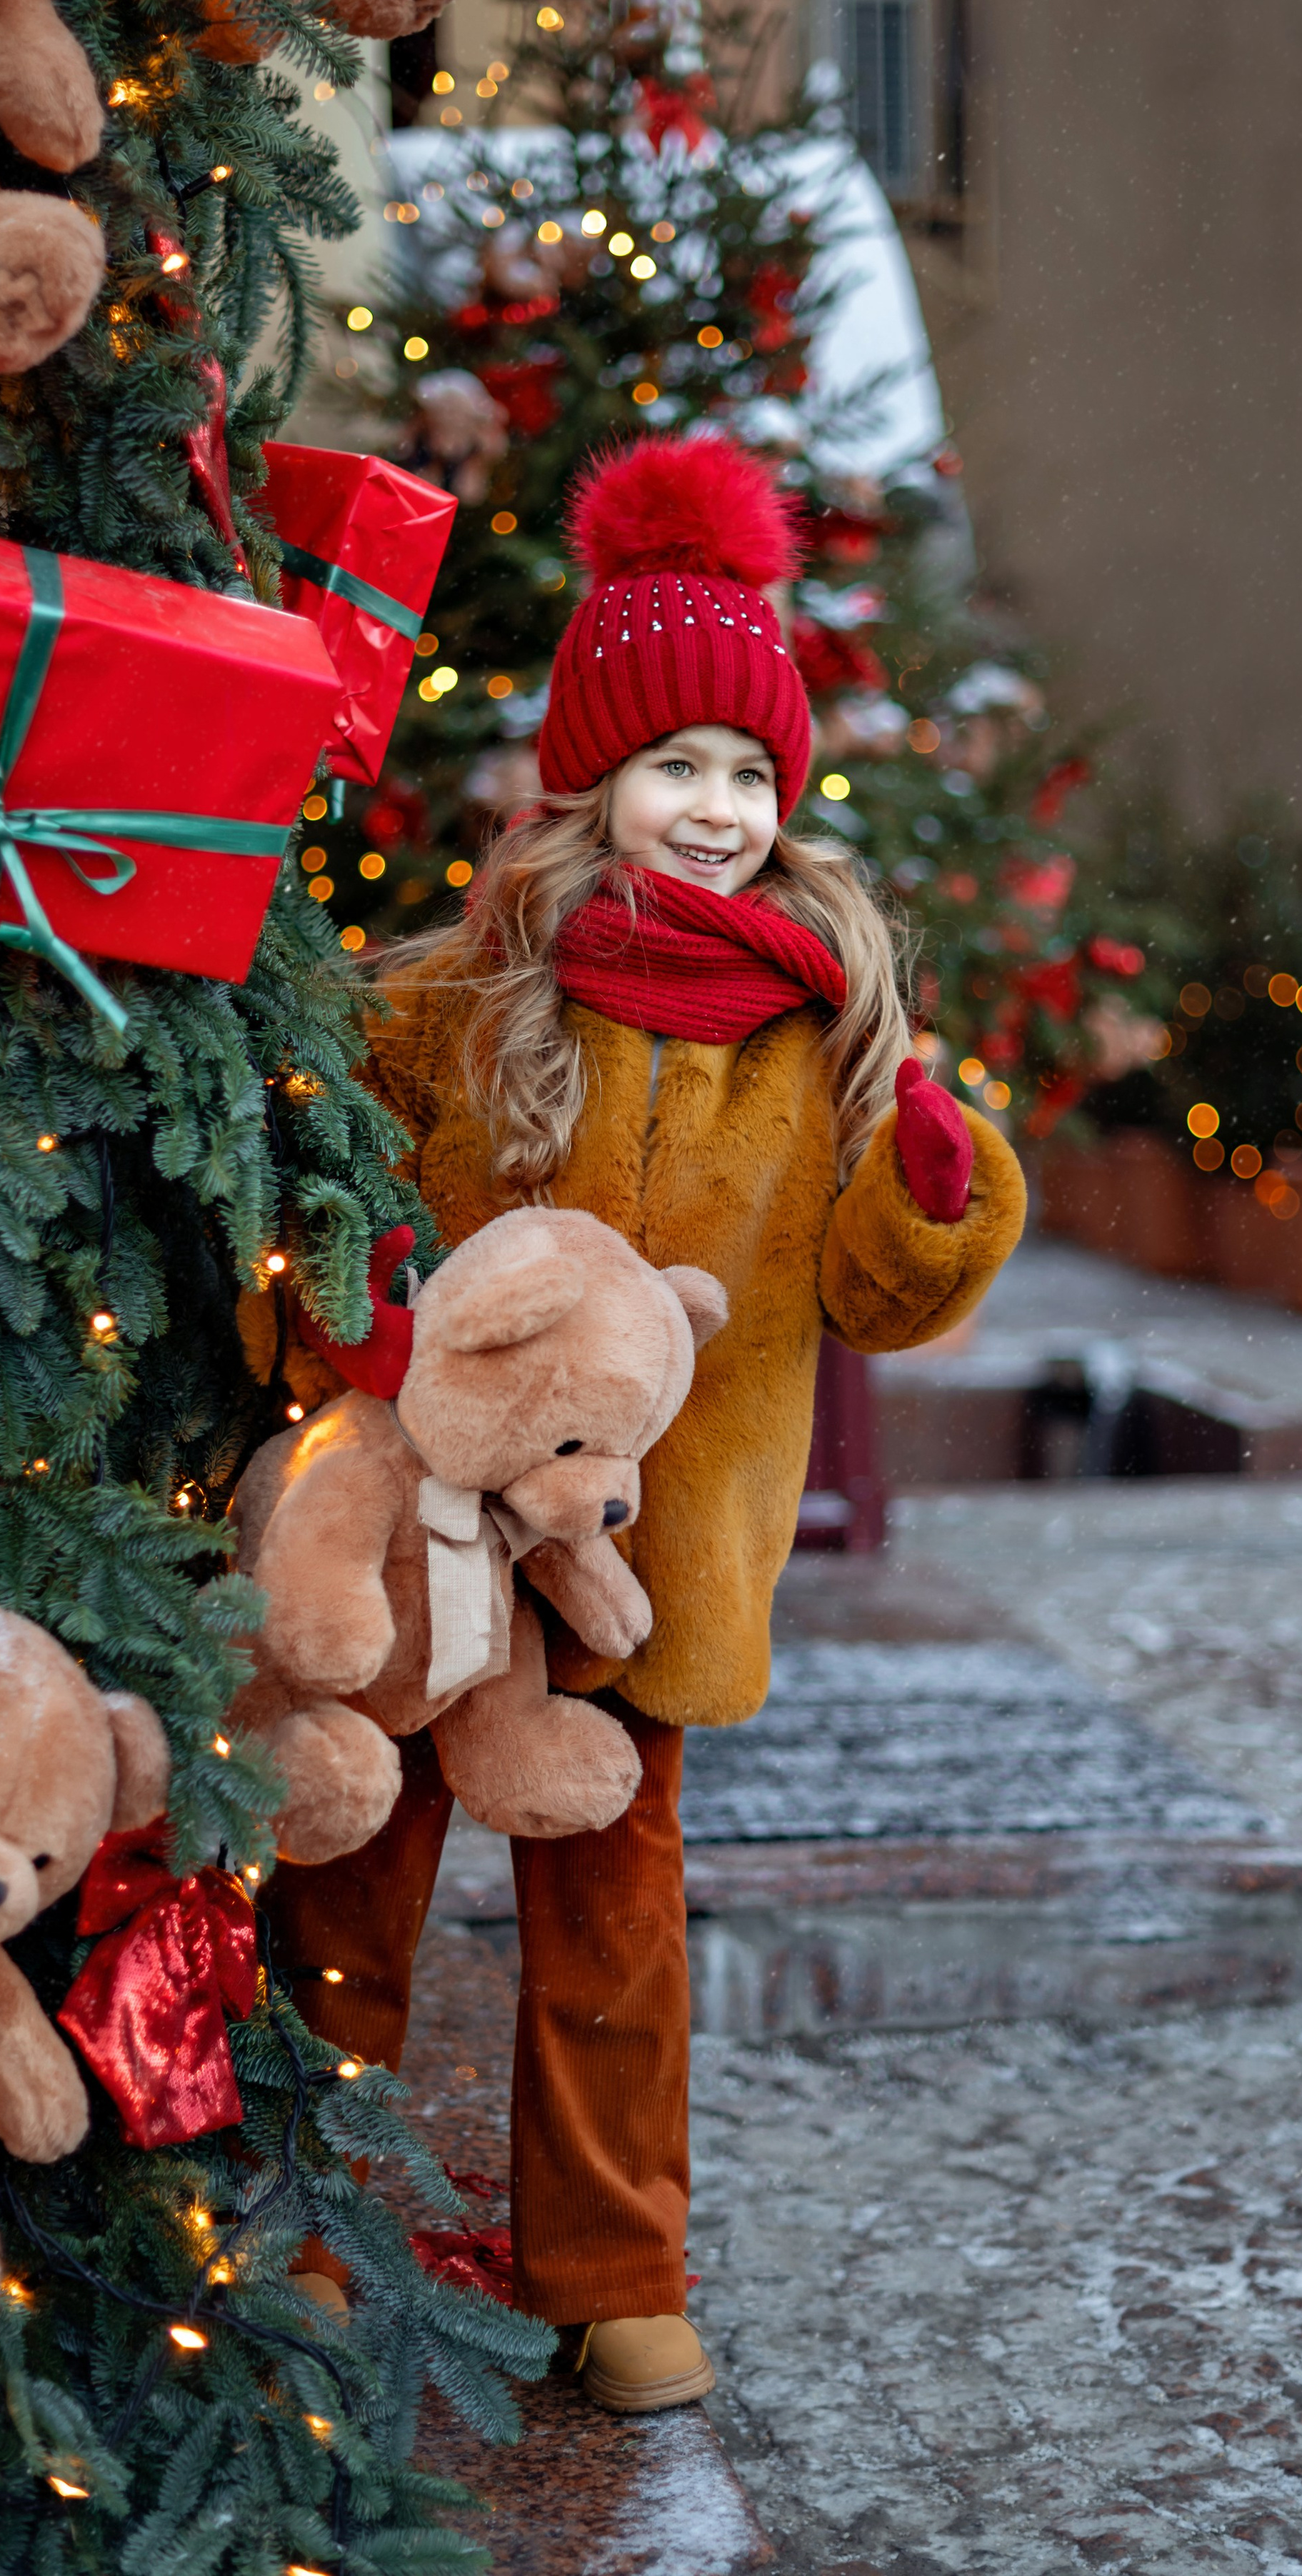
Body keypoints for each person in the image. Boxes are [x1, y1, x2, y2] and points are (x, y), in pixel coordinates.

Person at [267, 432, 1026, 2411]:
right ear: (589, 778)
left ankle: (613, 2264)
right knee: (354, 1880)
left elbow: (879, 1293)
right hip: (438, 1539)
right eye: (675, 765)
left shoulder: (824, 1030)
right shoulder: (462, 992)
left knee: (613, 1922)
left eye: (753, 774)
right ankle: (315, 2231)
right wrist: (344, 1321)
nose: (716, 809)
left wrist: (934, 1182)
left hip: (658, 1553)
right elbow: (331, 1191)